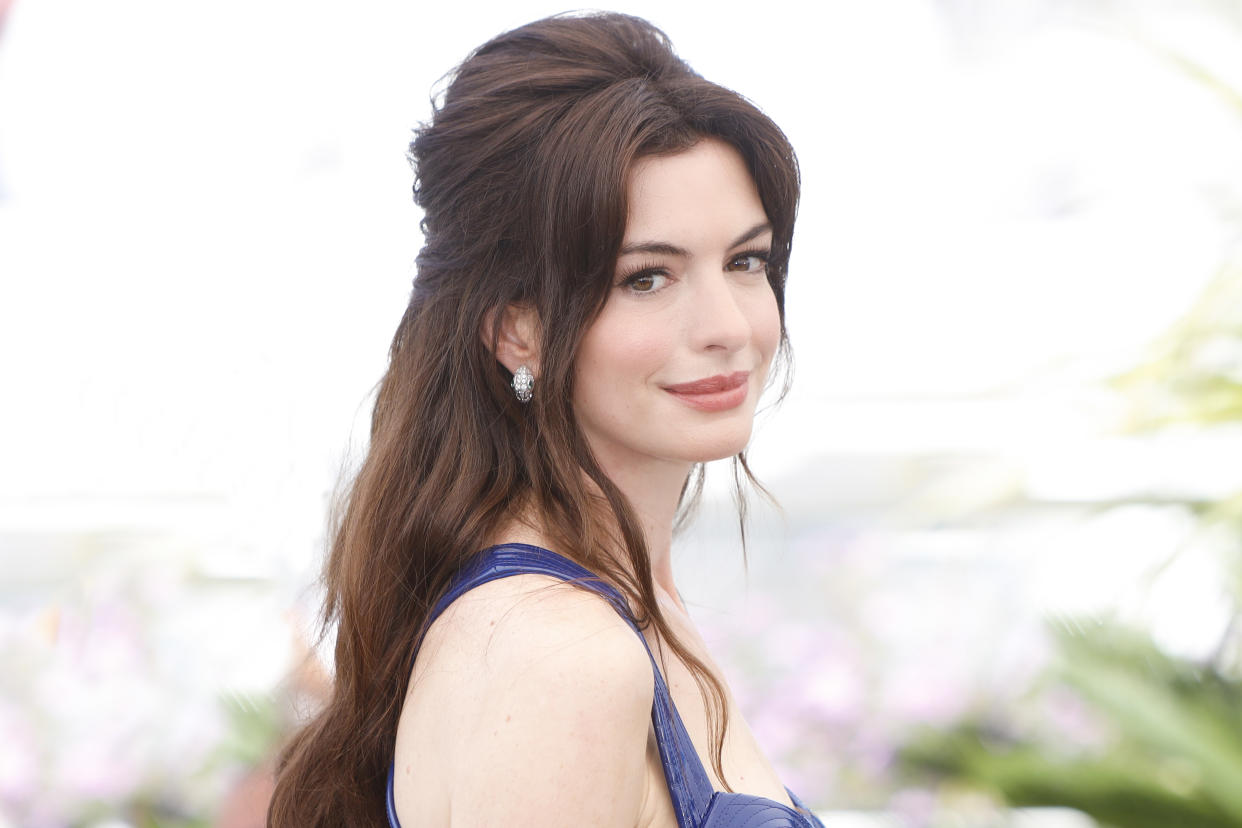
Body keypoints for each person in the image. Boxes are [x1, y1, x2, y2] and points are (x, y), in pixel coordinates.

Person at [267, 11, 818, 828]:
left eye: (746, 262)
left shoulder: (619, 600)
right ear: (516, 328)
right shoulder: (562, 657)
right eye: (647, 278)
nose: (729, 326)